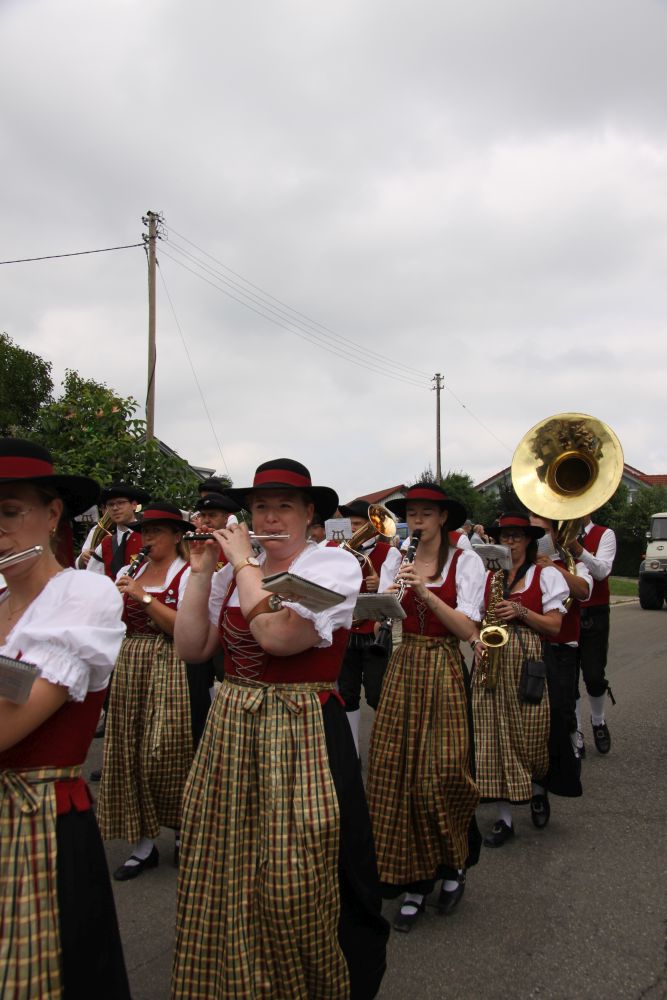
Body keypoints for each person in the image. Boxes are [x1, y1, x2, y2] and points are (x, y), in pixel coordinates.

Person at [171, 458, 388, 1000]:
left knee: (301, 869)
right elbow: (192, 648)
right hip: (234, 727)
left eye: (283, 506)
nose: (270, 517)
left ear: (309, 513)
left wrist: (244, 562)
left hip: (303, 726)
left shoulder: (332, 565)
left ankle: (314, 978)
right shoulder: (231, 573)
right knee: (230, 857)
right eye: (260, 506)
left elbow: (280, 638)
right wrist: (201, 571)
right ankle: (242, 974)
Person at [0, 438, 130, 999]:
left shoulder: (83, 595)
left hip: (36, 823)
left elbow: (8, 724)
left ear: (52, 514)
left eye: (9, 512)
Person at [366, 483, 485, 932]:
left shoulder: (465, 561)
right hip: (404, 665)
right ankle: (413, 880)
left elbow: (467, 629)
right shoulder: (398, 556)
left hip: (443, 666)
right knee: (396, 772)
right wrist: (385, 602)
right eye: (411, 513)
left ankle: (453, 864)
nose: (416, 521)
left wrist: (426, 592)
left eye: (425, 513)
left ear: (442, 518)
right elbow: (381, 617)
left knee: (442, 773)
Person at [97, 502, 195, 879]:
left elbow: (181, 629)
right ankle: (142, 846)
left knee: (168, 749)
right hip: (131, 661)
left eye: (156, 531)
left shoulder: (187, 573)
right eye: (145, 531)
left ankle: (183, 829)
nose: (148, 538)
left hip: (170, 661)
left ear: (176, 535)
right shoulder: (129, 570)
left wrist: (143, 597)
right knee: (129, 749)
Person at [470, 513, 568, 847]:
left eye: (515, 536)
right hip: (491, 659)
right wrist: (476, 640)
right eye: (504, 536)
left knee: (532, 733)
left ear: (527, 540)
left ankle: (538, 790)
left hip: (529, 660)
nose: (509, 542)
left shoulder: (544, 575)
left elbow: (554, 626)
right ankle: (504, 818)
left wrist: (521, 611)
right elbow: (473, 619)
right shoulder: (488, 576)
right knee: (492, 735)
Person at [529, 514, 593, 821]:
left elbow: (583, 591)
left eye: (542, 531)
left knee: (560, 713)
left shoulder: (572, 562)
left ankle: (562, 766)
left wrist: (553, 568)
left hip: (562, 647)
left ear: (556, 534)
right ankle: (535, 788)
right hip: (529, 649)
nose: (537, 536)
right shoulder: (521, 564)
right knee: (531, 719)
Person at [336, 499, 401, 755]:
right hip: (346, 630)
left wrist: (378, 582)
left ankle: (385, 749)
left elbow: (393, 594)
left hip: (373, 632)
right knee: (347, 694)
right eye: (351, 524)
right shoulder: (339, 552)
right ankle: (352, 752)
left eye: (359, 524)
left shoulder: (389, 553)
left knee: (377, 693)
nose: (354, 529)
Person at [567, 515, 617, 755]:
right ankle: (576, 731)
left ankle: (598, 720)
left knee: (594, 675)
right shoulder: (555, 535)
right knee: (568, 676)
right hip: (567, 611)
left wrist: (578, 549)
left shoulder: (604, 534)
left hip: (595, 612)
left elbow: (602, 572)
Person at [81, 480, 150, 577]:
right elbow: (92, 578)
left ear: (134, 505)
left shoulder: (148, 538)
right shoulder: (105, 544)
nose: (115, 508)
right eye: (110, 504)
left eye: (120, 502)